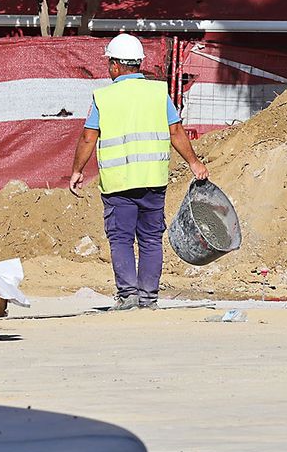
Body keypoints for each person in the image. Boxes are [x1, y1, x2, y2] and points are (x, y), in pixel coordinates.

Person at [69, 33, 208, 311]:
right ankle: (148, 298)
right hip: (153, 181)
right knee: (150, 238)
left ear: (117, 66)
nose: (109, 68)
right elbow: (176, 130)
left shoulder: (104, 97)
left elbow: (88, 137)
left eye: (110, 63)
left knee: (121, 238)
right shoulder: (158, 92)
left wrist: (77, 170)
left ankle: (128, 296)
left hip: (118, 183)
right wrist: (194, 162)